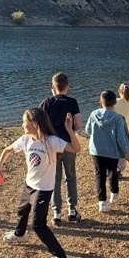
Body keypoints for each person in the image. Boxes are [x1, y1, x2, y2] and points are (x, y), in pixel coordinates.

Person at [0, 107, 81, 258]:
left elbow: (76, 149)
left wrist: (70, 130)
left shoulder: (51, 141)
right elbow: (8, 150)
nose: (22, 124)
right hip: (29, 185)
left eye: (24, 121)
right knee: (22, 210)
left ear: (34, 123)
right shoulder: (26, 139)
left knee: (38, 225)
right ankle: (20, 234)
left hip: (43, 189)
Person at [39, 72, 83, 225]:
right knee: (70, 176)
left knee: (55, 178)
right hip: (69, 144)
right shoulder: (72, 102)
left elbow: (38, 121)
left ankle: (56, 212)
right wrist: (71, 129)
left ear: (53, 87)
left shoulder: (47, 102)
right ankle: (72, 211)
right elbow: (79, 124)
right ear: (67, 86)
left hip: (52, 146)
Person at [85, 90, 129, 212]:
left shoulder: (93, 114)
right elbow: (121, 138)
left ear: (100, 102)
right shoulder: (118, 118)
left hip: (96, 150)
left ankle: (102, 202)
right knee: (113, 172)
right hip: (112, 151)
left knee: (100, 175)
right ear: (115, 103)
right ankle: (114, 193)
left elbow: (88, 130)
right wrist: (126, 152)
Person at [114, 83, 129, 178]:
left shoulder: (115, 101)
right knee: (123, 149)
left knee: (113, 148)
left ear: (119, 91)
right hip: (124, 127)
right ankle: (119, 170)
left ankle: (111, 168)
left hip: (114, 127)